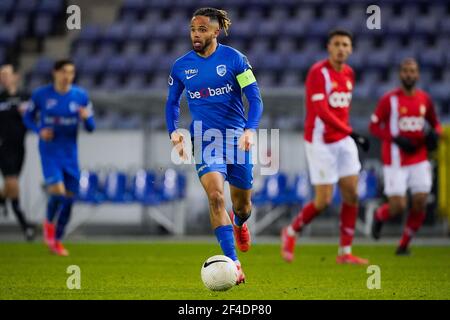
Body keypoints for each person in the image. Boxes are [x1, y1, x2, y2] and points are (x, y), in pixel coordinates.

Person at [165, 8, 263, 284]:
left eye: (202, 30)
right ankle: (234, 262)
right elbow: (172, 102)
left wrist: (249, 131)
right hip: (206, 141)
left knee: (242, 206)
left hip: (236, 139)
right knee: (216, 197)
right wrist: (174, 132)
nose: (196, 35)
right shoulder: (181, 66)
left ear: (215, 31)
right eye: (193, 30)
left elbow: (255, 100)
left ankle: (240, 224)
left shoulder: (235, 59)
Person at [281, 29, 370, 264]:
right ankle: (291, 232)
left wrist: (346, 133)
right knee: (323, 201)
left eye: (345, 45)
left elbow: (341, 109)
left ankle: (345, 252)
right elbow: (321, 111)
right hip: (320, 142)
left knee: (352, 193)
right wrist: (350, 131)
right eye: (337, 44)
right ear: (329, 47)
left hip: (342, 139)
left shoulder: (349, 73)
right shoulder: (318, 73)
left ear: (350, 49)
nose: (341, 48)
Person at [369, 58, 442, 255]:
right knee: (398, 206)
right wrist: (395, 139)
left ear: (417, 75)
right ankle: (380, 214)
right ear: (400, 74)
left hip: (418, 157)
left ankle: (404, 244)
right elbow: (374, 126)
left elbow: (435, 124)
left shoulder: (424, 100)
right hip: (395, 160)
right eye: (406, 71)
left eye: (413, 71)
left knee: (420, 201)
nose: (409, 74)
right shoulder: (389, 100)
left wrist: (435, 134)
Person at [23, 59, 95, 256]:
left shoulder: (81, 96)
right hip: (50, 151)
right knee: (57, 192)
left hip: (70, 154)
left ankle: (57, 239)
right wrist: (39, 130)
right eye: (64, 72)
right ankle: (48, 226)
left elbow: (91, 128)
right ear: (55, 73)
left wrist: (86, 117)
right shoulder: (41, 95)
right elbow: (28, 117)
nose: (67, 76)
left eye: (71, 72)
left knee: (69, 200)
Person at [0, 64, 36, 241]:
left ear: (15, 76)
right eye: (1, 75)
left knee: (10, 187)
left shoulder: (25, 97)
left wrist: (27, 114)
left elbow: (34, 117)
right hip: (3, 147)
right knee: (13, 185)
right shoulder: (0, 98)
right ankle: (26, 227)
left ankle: (1, 199)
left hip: (20, 147)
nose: (3, 78)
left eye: (6, 74)